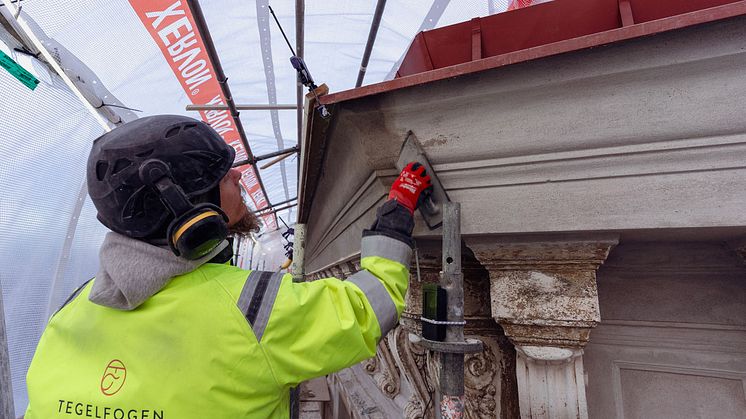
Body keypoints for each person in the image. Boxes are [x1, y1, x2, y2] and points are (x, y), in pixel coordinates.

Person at [23, 115, 432, 418]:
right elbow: (368, 305)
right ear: (189, 212)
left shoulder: (73, 308)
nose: (237, 173)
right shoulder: (253, 309)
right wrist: (395, 215)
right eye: (221, 174)